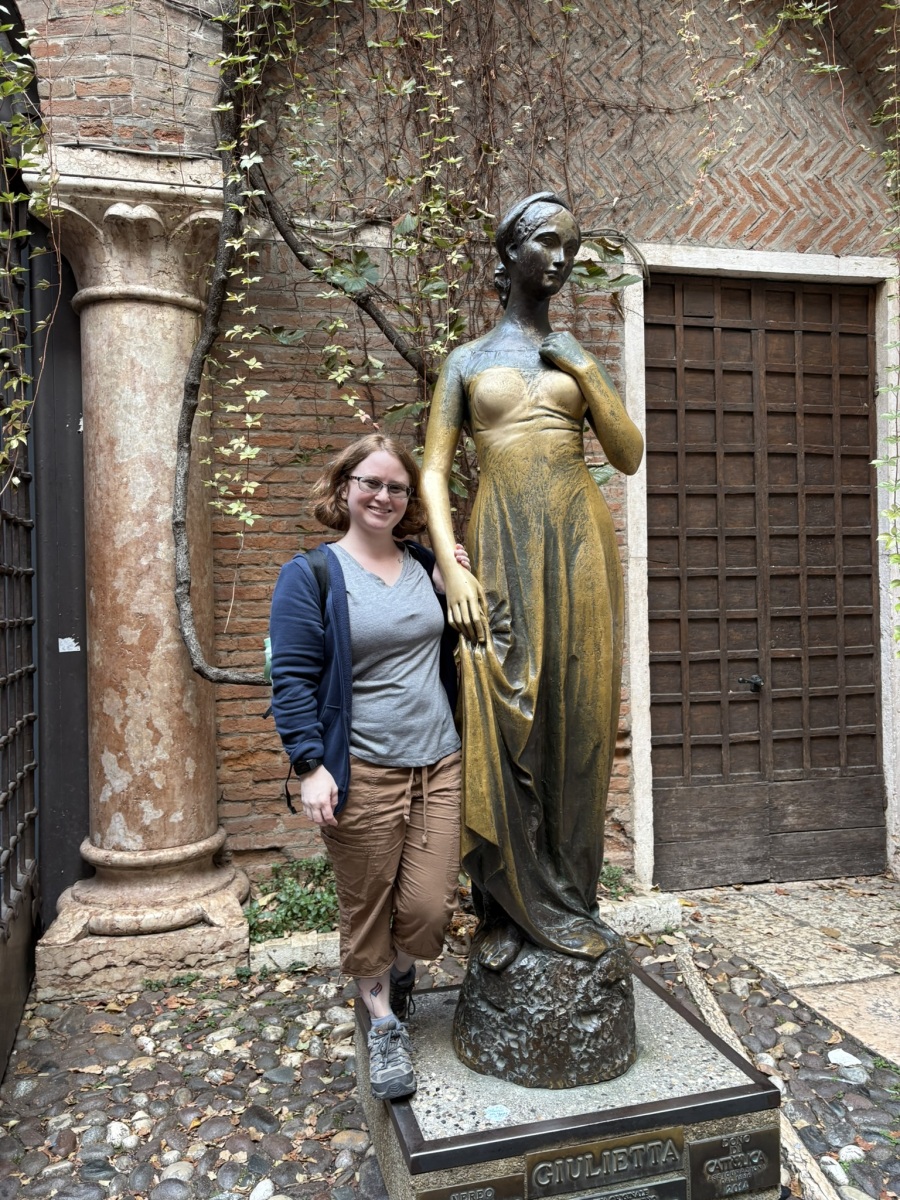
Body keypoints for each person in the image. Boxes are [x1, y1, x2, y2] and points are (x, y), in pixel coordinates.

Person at [420, 192, 644, 974]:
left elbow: (627, 454)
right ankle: (507, 910)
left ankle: (573, 900)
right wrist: (452, 566)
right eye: (548, 243)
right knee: (502, 708)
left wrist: (585, 366)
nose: (561, 260)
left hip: (577, 538)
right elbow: (433, 469)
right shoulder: (466, 361)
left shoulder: (572, 355)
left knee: (578, 714)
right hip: (500, 539)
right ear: (511, 251)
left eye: (571, 250)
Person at [269, 433, 468, 1101]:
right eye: (371, 483)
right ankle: (381, 1022)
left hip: (440, 761)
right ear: (345, 487)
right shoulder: (312, 575)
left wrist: (453, 582)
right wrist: (310, 766)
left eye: (397, 487)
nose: (383, 496)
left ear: (411, 499)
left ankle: (399, 973)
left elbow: (463, 638)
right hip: (363, 767)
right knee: (368, 903)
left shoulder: (424, 563)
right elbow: (292, 678)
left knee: (430, 907)